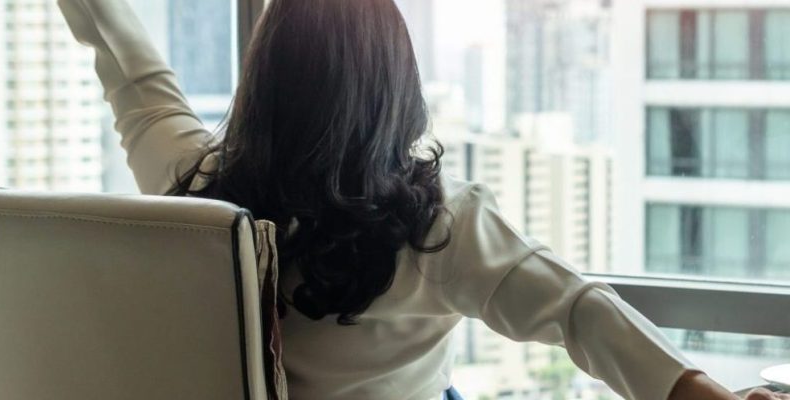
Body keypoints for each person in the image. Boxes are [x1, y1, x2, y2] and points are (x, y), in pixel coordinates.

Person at [56, 0, 788, 399]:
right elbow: (576, 310)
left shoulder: (198, 196)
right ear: (395, 93)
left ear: (261, 81)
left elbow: (133, 76)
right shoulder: (436, 228)